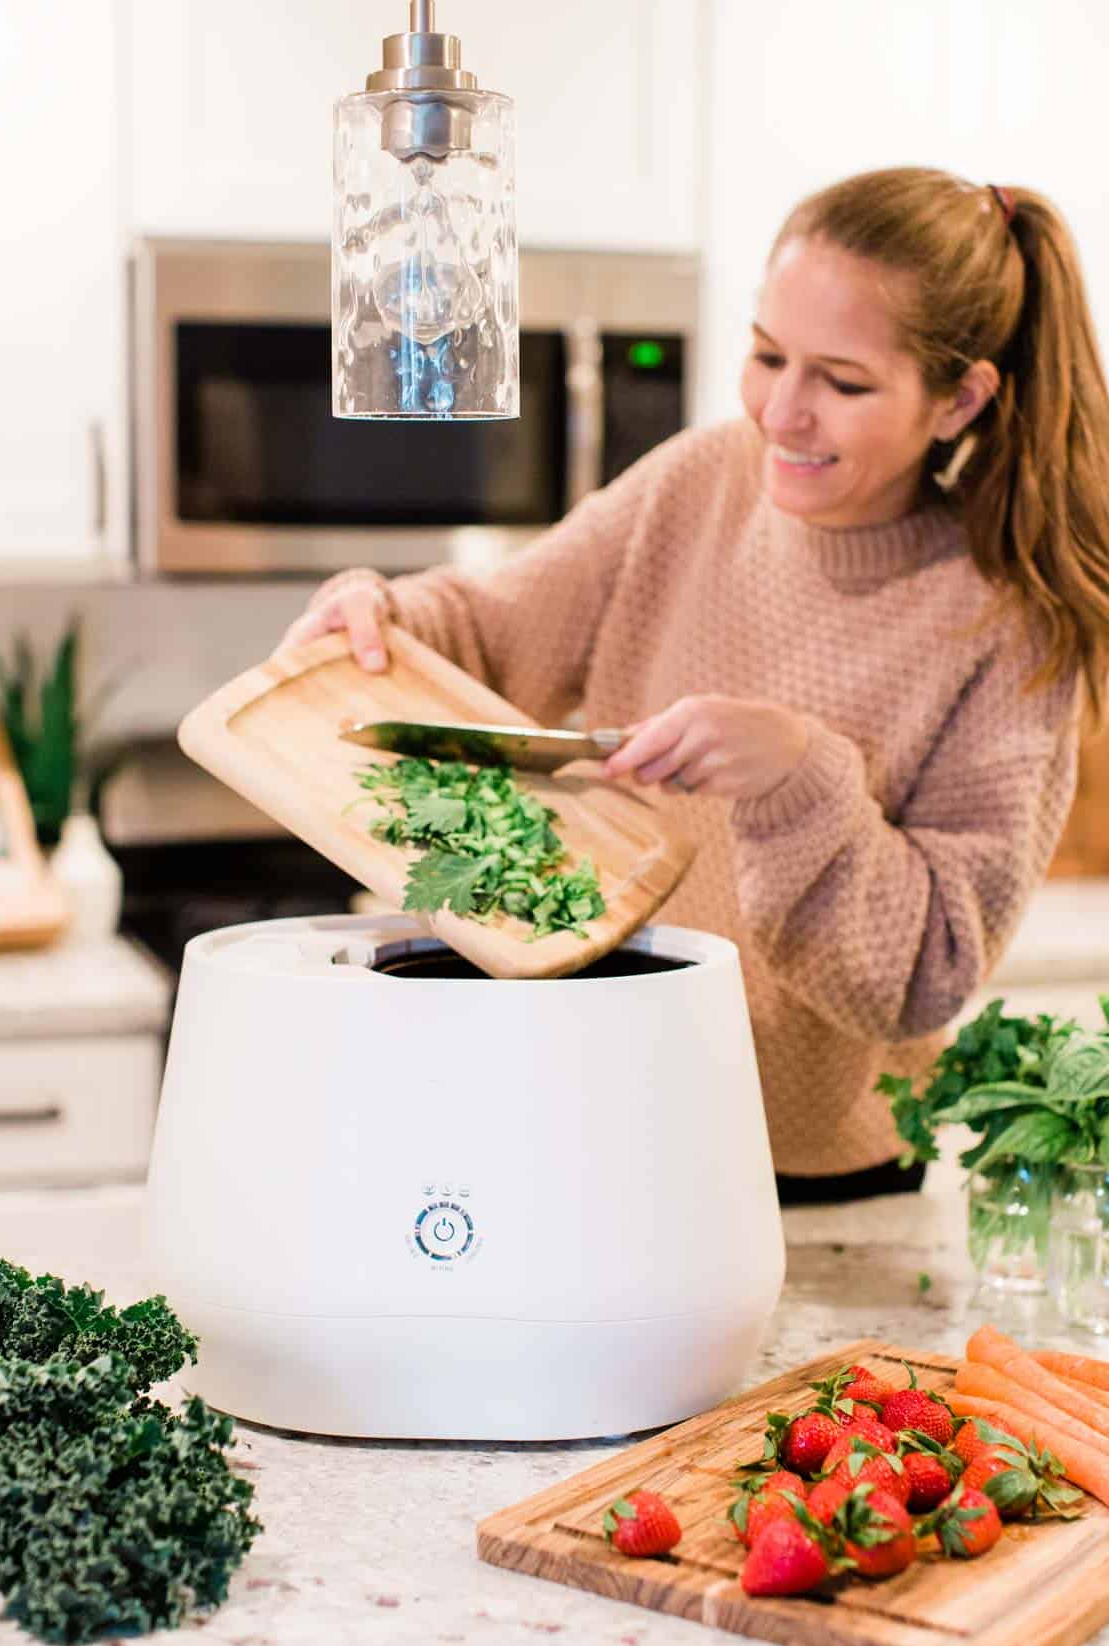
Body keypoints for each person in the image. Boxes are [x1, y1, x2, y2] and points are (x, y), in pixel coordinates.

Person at [280, 167, 1109, 1203]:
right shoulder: (700, 479)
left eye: (843, 383)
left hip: (804, 1180)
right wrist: (385, 616)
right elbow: (493, 636)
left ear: (959, 400)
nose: (783, 413)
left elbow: (926, 975)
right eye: (767, 357)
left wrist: (803, 777)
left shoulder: (1006, 624)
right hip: (584, 1123)